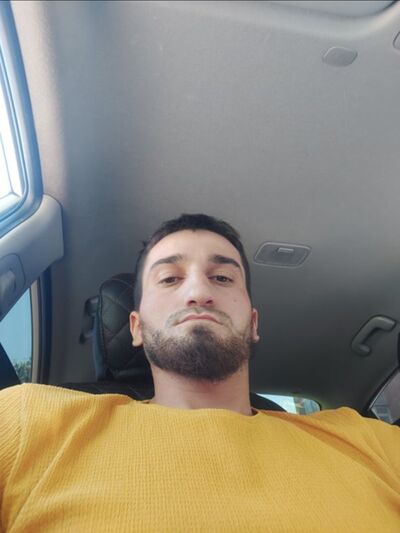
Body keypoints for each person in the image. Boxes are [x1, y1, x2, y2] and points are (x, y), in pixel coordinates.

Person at [0, 214, 399, 532]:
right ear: (136, 327)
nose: (198, 293)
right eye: (169, 278)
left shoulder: (367, 441)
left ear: (253, 323)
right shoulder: (28, 421)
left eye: (222, 278)